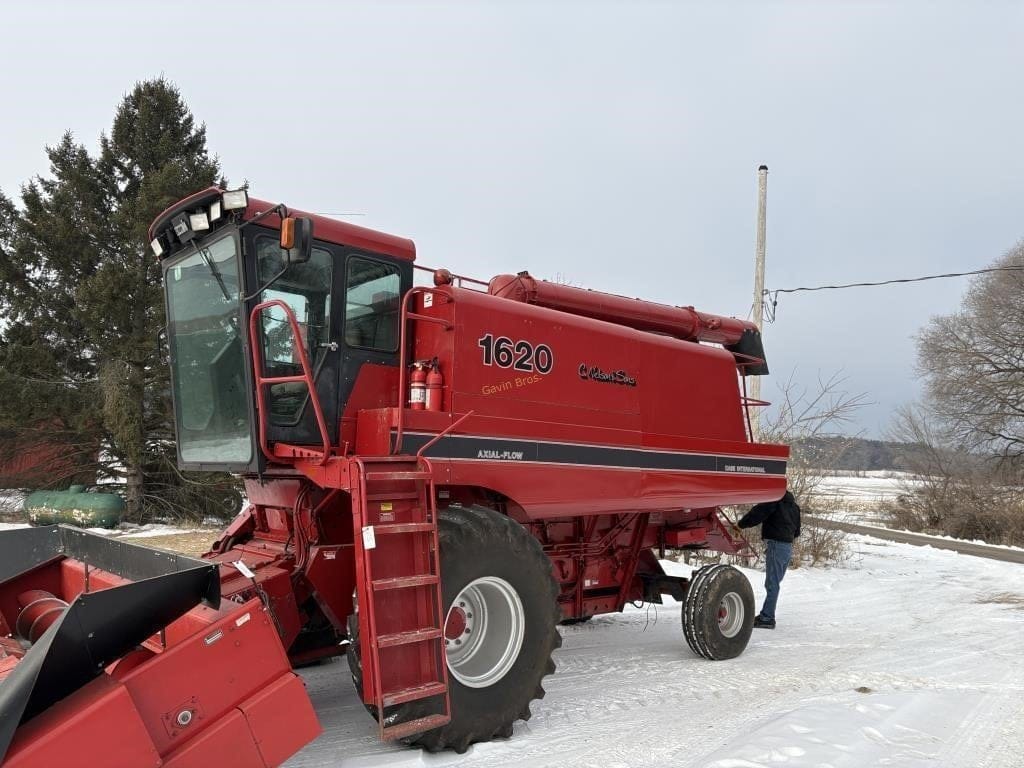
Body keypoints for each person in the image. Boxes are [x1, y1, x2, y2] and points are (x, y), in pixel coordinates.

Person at [737, 490, 801, 629]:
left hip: (776, 545)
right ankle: (767, 615)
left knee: (772, 584)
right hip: (787, 547)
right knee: (774, 582)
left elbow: (756, 515)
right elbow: (797, 531)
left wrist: (740, 525)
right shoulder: (794, 507)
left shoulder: (774, 500)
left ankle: (767, 618)